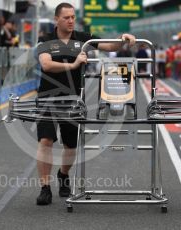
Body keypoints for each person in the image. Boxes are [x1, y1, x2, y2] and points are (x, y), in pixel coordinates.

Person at [36, 2, 135, 205]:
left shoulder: (83, 39)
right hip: (47, 97)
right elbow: (46, 64)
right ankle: (45, 188)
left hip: (73, 100)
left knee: (70, 146)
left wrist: (123, 39)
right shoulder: (45, 39)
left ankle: (63, 175)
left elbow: (109, 46)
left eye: (73, 17)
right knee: (45, 141)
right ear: (57, 19)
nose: (71, 20)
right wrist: (73, 64)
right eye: (66, 17)